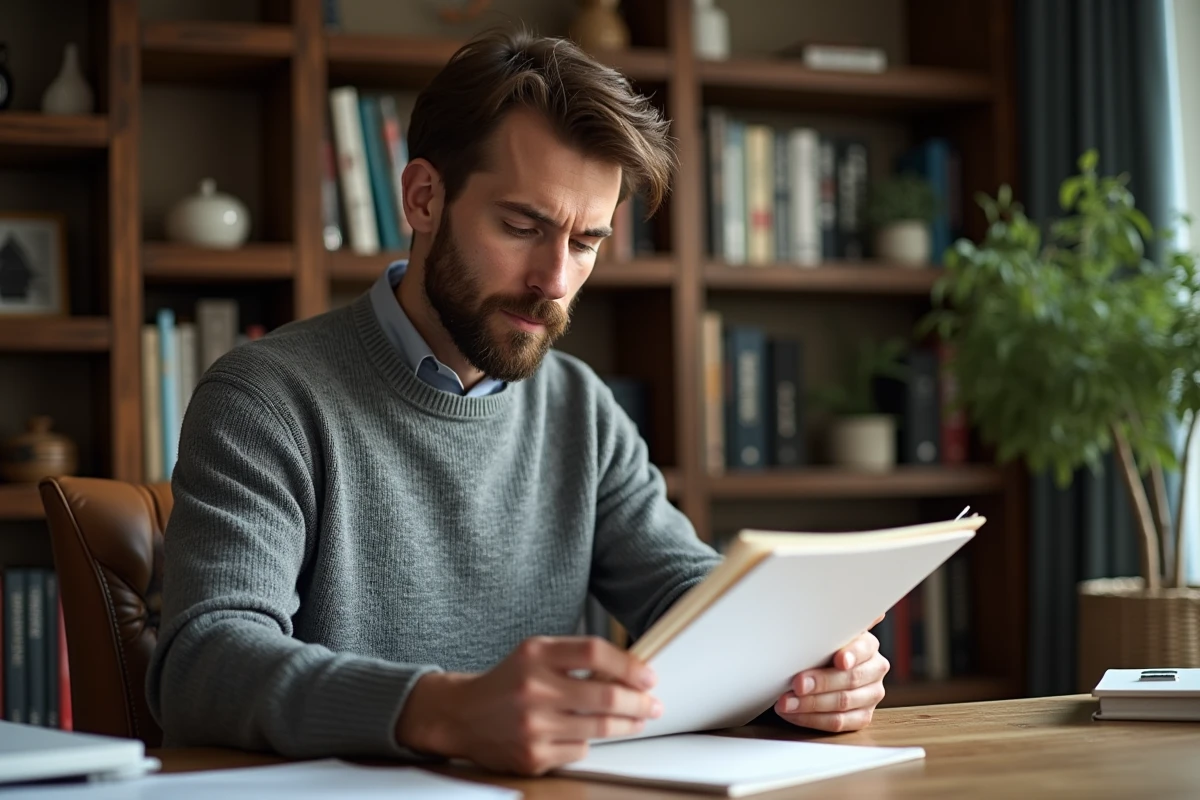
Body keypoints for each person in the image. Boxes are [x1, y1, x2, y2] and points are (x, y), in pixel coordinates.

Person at [146, 29, 889, 777]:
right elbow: (204, 665)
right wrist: (443, 711)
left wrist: (802, 664)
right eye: (522, 227)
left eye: (586, 242)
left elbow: (682, 591)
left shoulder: (580, 408)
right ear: (424, 197)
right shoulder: (265, 399)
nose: (555, 280)